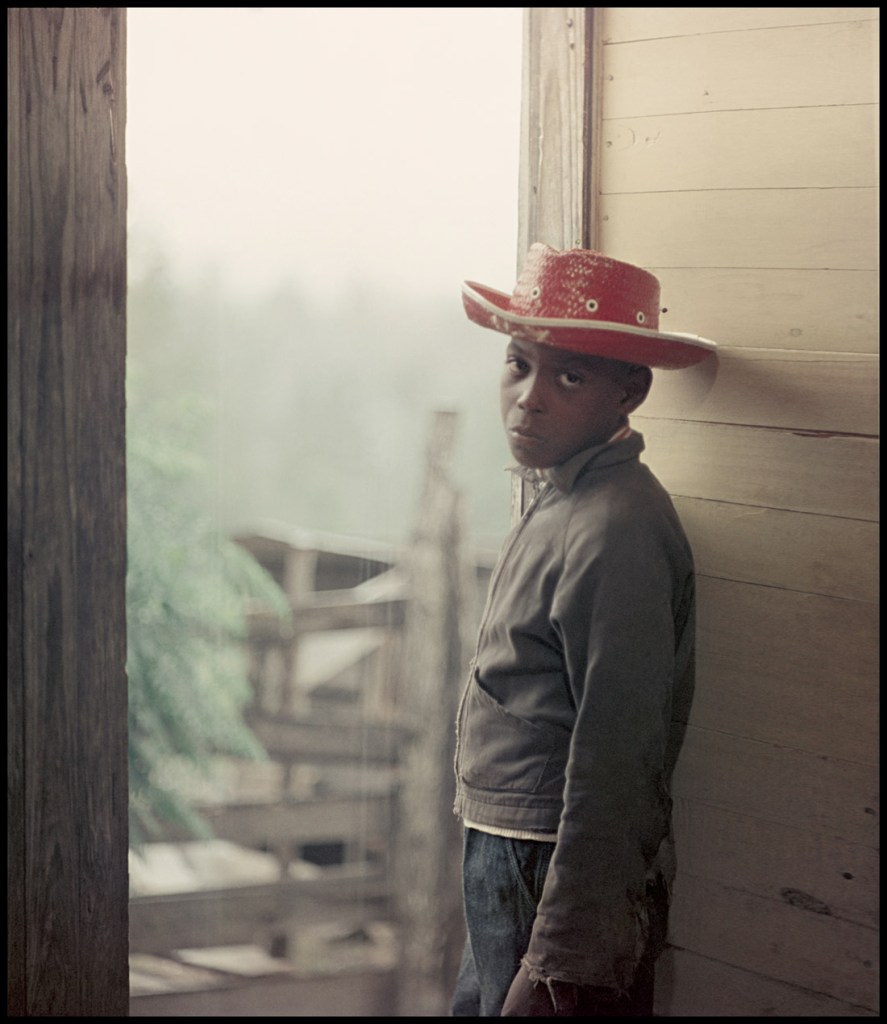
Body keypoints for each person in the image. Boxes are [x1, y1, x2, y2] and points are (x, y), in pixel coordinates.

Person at [450, 244, 717, 1017]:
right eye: (517, 364)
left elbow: (618, 765)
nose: (527, 399)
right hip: (507, 849)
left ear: (627, 391)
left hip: (550, 866)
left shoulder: (617, 527)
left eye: (568, 376)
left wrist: (562, 961)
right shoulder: (563, 496)